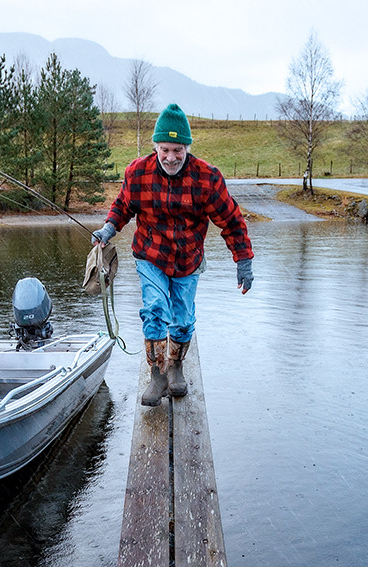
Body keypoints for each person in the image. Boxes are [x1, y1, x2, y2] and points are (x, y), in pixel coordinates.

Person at [92, 103, 253, 404]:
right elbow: (123, 207)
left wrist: (243, 261)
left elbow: (231, 219)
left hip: (188, 259)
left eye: (178, 150)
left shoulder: (207, 178)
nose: (171, 157)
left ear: (187, 148)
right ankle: (157, 375)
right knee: (154, 309)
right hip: (150, 255)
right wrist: (108, 230)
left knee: (182, 317)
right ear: (156, 147)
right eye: (165, 149)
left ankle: (176, 368)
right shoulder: (137, 173)